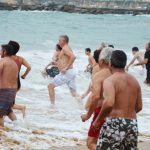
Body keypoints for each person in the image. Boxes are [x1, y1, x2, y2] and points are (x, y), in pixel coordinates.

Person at [93, 50, 142, 150]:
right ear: (124, 63)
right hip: (132, 124)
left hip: (114, 123)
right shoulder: (134, 81)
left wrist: (98, 120)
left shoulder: (110, 80)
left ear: (110, 63)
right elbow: (139, 107)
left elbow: (109, 103)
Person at [81, 47, 113, 150]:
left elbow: (96, 97)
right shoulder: (118, 74)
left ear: (101, 61)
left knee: (91, 142)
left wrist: (87, 115)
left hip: (101, 111)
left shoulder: (99, 75)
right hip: (117, 113)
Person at [48, 35, 77, 104]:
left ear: (64, 41)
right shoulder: (67, 48)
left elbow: (73, 57)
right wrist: (56, 63)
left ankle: (52, 106)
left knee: (50, 86)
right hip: (70, 72)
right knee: (73, 93)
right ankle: (82, 106)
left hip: (66, 72)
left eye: (59, 40)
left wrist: (66, 67)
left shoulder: (65, 48)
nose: (58, 42)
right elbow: (65, 60)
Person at [8, 41, 31, 118]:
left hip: (8, 82)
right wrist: (24, 75)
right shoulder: (20, 59)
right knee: (8, 102)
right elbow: (29, 67)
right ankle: (21, 108)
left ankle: (20, 108)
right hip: (17, 83)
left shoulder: (6, 58)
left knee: (7, 102)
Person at [0, 44, 18, 127]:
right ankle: (18, 127)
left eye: (1, 50)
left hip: (3, 91)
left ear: (5, 52)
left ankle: (2, 130)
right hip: (12, 91)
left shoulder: (3, 61)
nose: (0, 53)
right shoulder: (14, 64)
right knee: (8, 111)